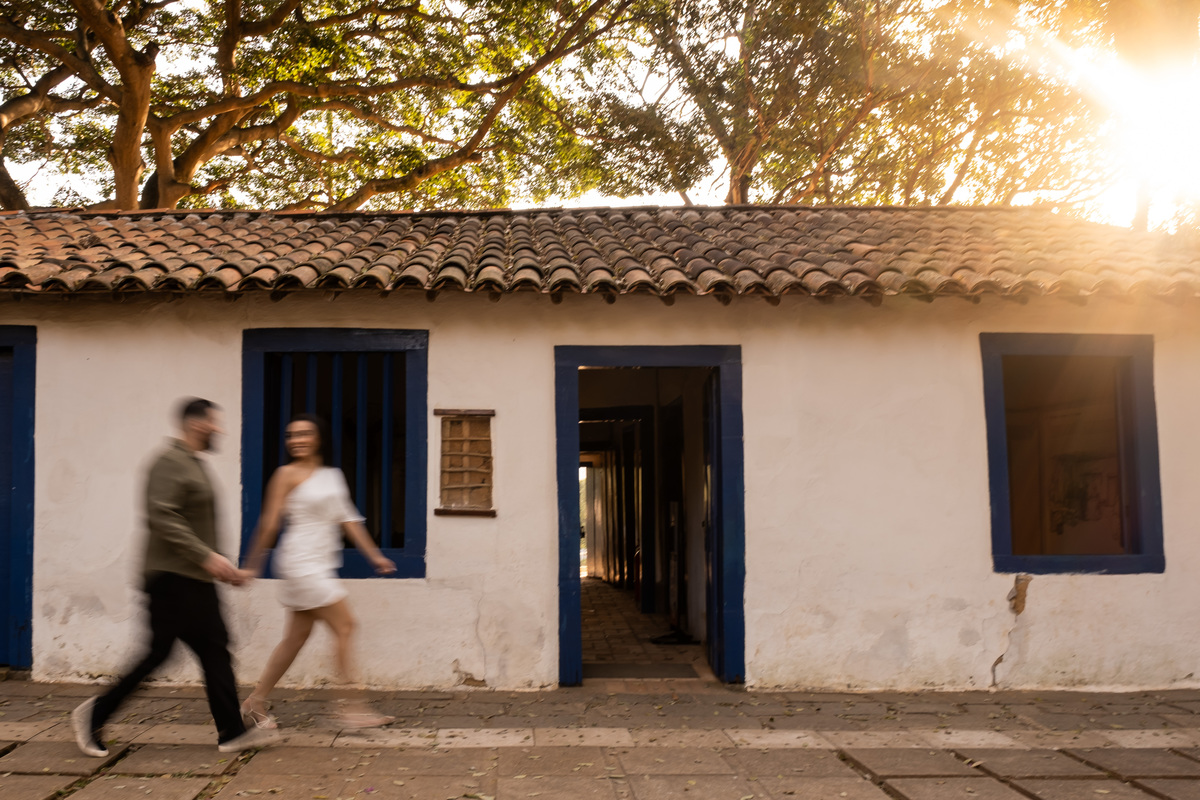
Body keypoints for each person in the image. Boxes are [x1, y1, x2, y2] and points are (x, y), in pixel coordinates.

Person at [72, 398, 278, 757]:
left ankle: (231, 731)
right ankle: (96, 713)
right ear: (197, 424)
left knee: (208, 649)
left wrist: (221, 567)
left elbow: (193, 524)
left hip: (192, 577)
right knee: (179, 652)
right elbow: (162, 517)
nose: (220, 429)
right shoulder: (168, 462)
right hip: (172, 578)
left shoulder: (193, 465)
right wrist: (206, 557)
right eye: (215, 423)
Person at [240, 413, 396, 730]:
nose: (296, 440)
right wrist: (251, 565)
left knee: (295, 638)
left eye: (304, 434)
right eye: (291, 435)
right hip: (300, 562)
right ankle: (351, 708)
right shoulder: (285, 474)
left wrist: (375, 556)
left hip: (320, 563)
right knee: (346, 626)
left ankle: (255, 702)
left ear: (319, 438)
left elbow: (348, 520)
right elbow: (270, 522)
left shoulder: (332, 475)